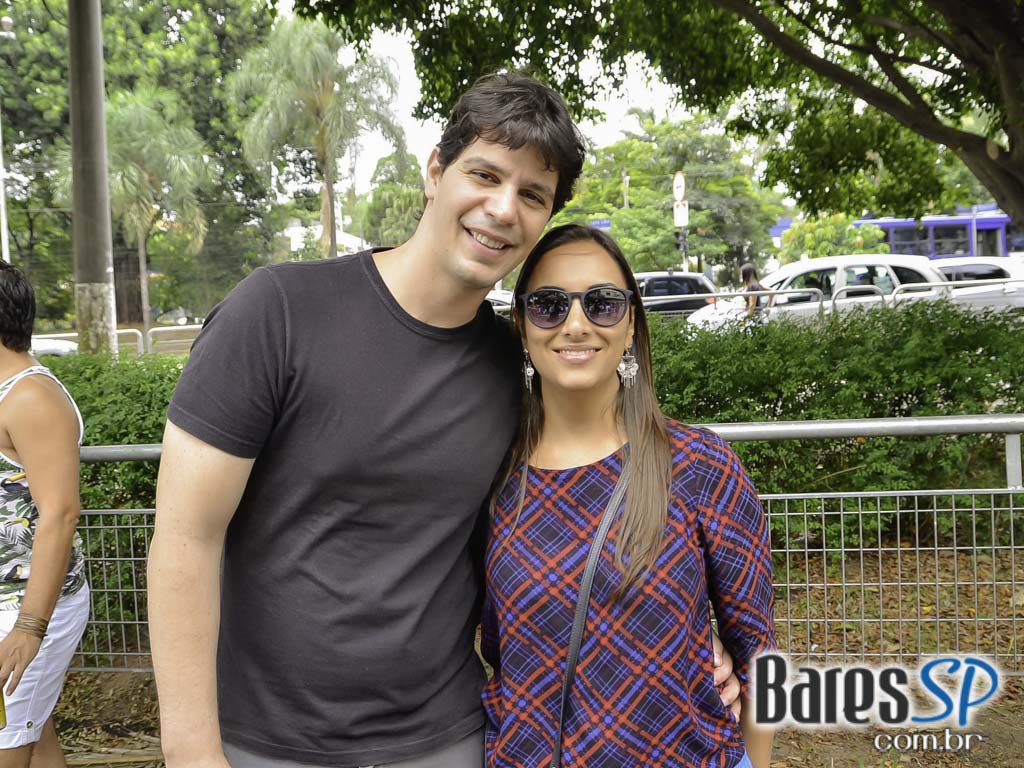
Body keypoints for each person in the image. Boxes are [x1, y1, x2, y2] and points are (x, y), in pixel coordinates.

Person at [148, 71, 739, 768]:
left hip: (447, 738)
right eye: (484, 175)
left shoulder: (519, 366)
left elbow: (575, 512)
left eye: (532, 195)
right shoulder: (277, 312)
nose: (502, 208)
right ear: (435, 171)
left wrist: (685, 634)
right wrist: (191, 750)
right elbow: (185, 538)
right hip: (267, 744)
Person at [482, 225, 776, 768]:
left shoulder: (699, 466)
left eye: (602, 303)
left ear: (631, 322)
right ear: (521, 325)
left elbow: (759, 660)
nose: (576, 324)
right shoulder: (490, 478)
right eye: (548, 305)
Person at [0, 262, 89, 768]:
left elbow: (61, 514)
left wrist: (30, 628)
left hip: (26, 607)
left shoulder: (32, 397)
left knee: (11, 744)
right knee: (35, 734)